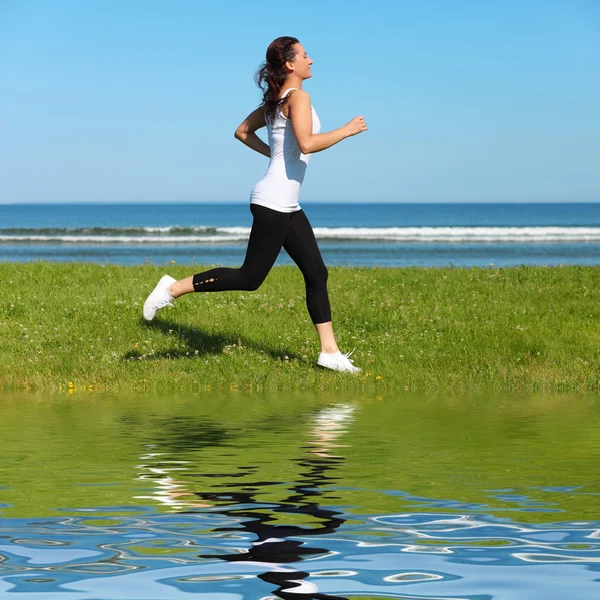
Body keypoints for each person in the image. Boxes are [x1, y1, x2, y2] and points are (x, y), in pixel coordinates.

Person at [143, 36, 367, 373]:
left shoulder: (278, 101)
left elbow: (242, 132)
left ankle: (329, 352)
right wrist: (346, 131)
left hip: (286, 203)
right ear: (290, 64)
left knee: (317, 273)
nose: (312, 60)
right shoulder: (298, 98)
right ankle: (173, 287)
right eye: (305, 55)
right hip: (274, 202)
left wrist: (273, 154)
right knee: (250, 277)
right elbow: (306, 143)